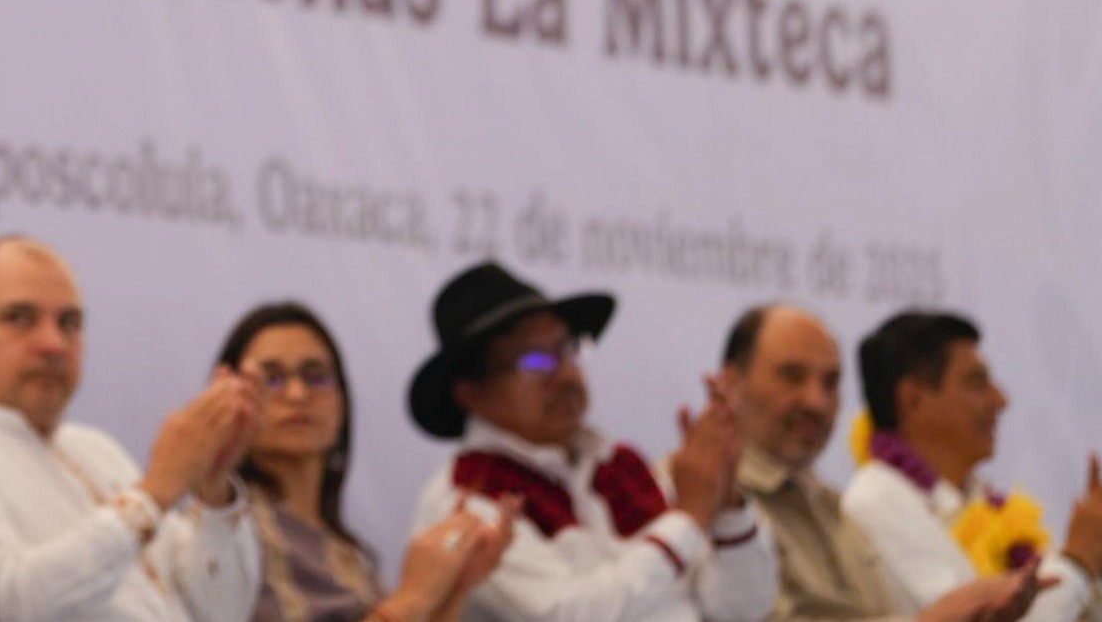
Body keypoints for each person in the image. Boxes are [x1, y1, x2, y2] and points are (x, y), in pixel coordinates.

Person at [0, 234, 266, 622]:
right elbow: (7, 602)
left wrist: (213, 492)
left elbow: (222, 612)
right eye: (20, 319)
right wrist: (153, 495)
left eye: (70, 323)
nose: (53, 343)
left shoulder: (95, 449)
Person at [407, 262, 776, 622]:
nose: (566, 373)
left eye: (568, 349)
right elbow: (563, 613)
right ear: (470, 393)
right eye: (535, 360)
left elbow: (743, 608)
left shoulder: (620, 468)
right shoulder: (467, 500)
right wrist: (689, 518)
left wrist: (726, 504)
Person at [719, 305, 1047, 622]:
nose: (816, 401)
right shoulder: (707, 496)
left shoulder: (836, 510)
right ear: (732, 382)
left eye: (831, 383)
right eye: (792, 376)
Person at [218, 301, 514, 622]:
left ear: (342, 402)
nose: (297, 394)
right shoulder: (227, 531)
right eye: (272, 378)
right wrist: (414, 596)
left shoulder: (347, 553)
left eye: (315, 376)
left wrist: (453, 588)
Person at [842, 311, 1102, 622]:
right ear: (913, 399)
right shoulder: (876, 500)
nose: (1000, 400)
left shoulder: (980, 500)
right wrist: (1077, 560)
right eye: (976, 382)